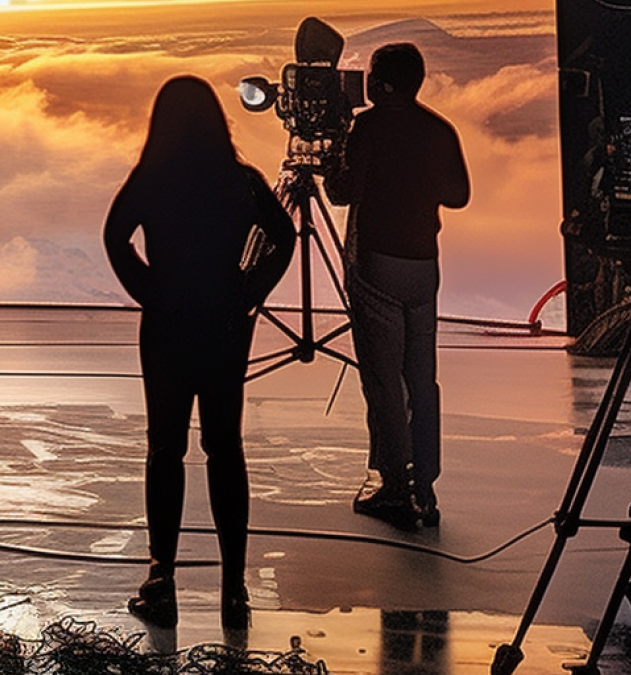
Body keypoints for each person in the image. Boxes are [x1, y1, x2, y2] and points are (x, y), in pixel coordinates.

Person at [104, 76, 293, 630]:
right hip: (224, 324)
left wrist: (147, 289)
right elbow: (283, 239)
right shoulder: (241, 180)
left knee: (165, 447)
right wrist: (250, 290)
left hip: (167, 324)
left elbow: (116, 237)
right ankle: (234, 587)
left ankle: (162, 577)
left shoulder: (152, 179)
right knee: (224, 448)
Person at [326, 42, 468, 531]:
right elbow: (459, 195)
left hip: (378, 263)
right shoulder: (438, 128)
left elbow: (345, 192)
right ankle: (424, 483)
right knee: (420, 377)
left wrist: (330, 161)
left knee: (384, 380)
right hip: (424, 265)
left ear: (381, 83)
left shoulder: (368, 129)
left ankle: (393, 485)